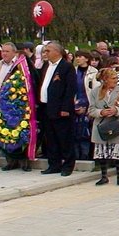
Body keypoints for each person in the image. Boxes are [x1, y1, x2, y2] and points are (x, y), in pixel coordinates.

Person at [39, 42, 77, 176]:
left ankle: (67, 165)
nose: (46, 53)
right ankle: (54, 164)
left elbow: (70, 89)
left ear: (57, 52)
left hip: (61, 109)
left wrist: (66, 108)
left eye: (48, 51)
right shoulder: (46, 66)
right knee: (51, 137)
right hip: (46, 107)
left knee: (64, 137)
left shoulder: (66, 67)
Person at [89, 68, 119, 186]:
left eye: (116, 78)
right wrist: (101, 112)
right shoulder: (95, 92)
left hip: (116, 124)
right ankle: (104, 176)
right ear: (105, 80)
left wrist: (116, 110)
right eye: (113, 78)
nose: (116, 80)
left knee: (117, 152)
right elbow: (91, 109)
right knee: (102, 152)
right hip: (101, 124)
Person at [73, 50, 98, 160]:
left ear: (86, 59)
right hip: (75, 103)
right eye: (76, 57)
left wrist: (90, 108)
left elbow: (95, 91)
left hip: (88, 103)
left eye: (80, 56)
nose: (78, 59)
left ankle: (85, 155)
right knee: (75, 130)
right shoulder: (73, 71)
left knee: (85, 131)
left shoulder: (93, 72)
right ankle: (76, 155)